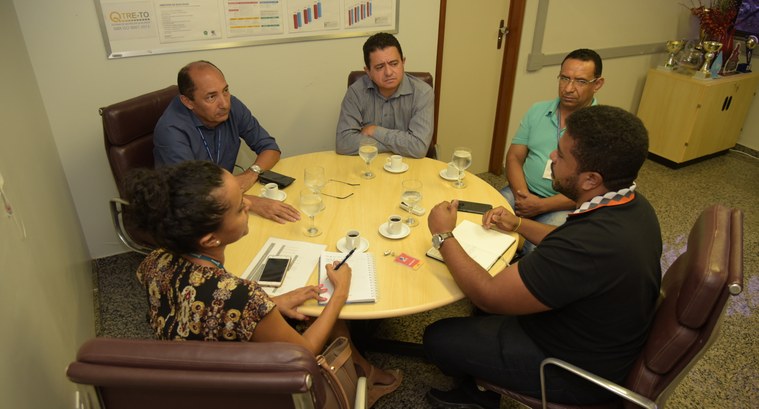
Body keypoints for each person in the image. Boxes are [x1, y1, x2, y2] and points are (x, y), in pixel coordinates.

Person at [424, 105, 662, 408]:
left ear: (590, 179)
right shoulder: (631, 204)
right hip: (593, 335)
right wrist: (520, 224)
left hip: (571, 369)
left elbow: (489, 294)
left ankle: (477, 397)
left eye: (561, 155)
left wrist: (444, 235)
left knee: (439, 337)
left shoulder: (589, 244)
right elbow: (563, 241)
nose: (551, 157)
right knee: (479, 313)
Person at [125, 160, 402, 407]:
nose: (248, 203)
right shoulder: (240, 296)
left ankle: (365, 369)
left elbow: (201, 308)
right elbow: (303, 352)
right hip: (245, 392)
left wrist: (273, 304)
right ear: (210, 240)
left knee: (311, 310)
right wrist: (340, 292)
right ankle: (362, 380)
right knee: (327, 317)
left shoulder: (153, 262)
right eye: (238, 208)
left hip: (194, 382)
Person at [154, 60, 300, 224]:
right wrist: (250, 202)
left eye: (225, 91)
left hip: (225, 196)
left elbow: (270, 148)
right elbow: (191, 193)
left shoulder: (232, 106)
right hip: (186, 211)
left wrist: (251, 173)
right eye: (211, 97)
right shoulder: (171, 130)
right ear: (188, 102)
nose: (224, 103)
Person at [502, 49, 604, 253]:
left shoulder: (601, 127)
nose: (568, 88)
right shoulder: (537, 110)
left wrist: (541, 206)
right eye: (564, 78)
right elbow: (514, 157)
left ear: (597, 84)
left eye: (580, 81)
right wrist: (523, 196)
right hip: (521, 191)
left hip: (565, 206)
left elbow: (594, 189)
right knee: (487, 218)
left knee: (540, 250)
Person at [336, 32, 434, 158]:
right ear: (368, 71)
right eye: (379, 67)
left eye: (394, 64)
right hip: (368, 166)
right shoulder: (356, 92)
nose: (388, 72)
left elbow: (418, 147)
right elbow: (343, 143)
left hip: (408, 168)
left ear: (403, 62)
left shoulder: (423, 93)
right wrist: (402, 145)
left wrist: (374, 131)